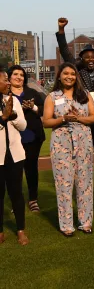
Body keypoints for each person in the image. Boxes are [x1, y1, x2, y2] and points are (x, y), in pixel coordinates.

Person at [56, 18, 94, 198]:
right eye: (87, 56)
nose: (90, 58)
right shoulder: (77, 71)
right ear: (81, 58)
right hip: (81, 117)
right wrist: (61, 31)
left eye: (93, 56)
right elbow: (66, 54)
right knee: (80, 155)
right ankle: (78, 188)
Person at [43, 63, 94, 236]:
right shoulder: (52, 96)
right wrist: (63, 118)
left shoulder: (85, 95)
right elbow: (46, 122)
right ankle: (66, 225)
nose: (69, 76)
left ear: (76, 77)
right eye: (65, 73)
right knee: (64, 184)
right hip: (62, 144)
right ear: (59, 76)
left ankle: (85, 222)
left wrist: (79, 118)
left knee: (85, 183)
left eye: (72, 74)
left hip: (83, 144)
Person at [7, 65, 46, 212]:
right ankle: (16, 201)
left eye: (21, 75)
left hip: (32, 137)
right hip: (11, 138)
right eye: (15, 74)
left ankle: (33, 199)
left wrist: (34, 107)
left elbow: (45, 109)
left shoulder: (33, 92)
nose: (19, 77)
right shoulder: (4, 94)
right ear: (9, 78)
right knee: (13, 171)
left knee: (31, 169)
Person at [0, 66, 29, 245]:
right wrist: (3, 117)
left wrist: (14, 115)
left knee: (16, 193)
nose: (8, 82)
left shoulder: (12, 100)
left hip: (15, 155)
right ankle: (0, 231)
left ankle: (20, 230)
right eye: (4, 79)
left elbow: (23, 126)